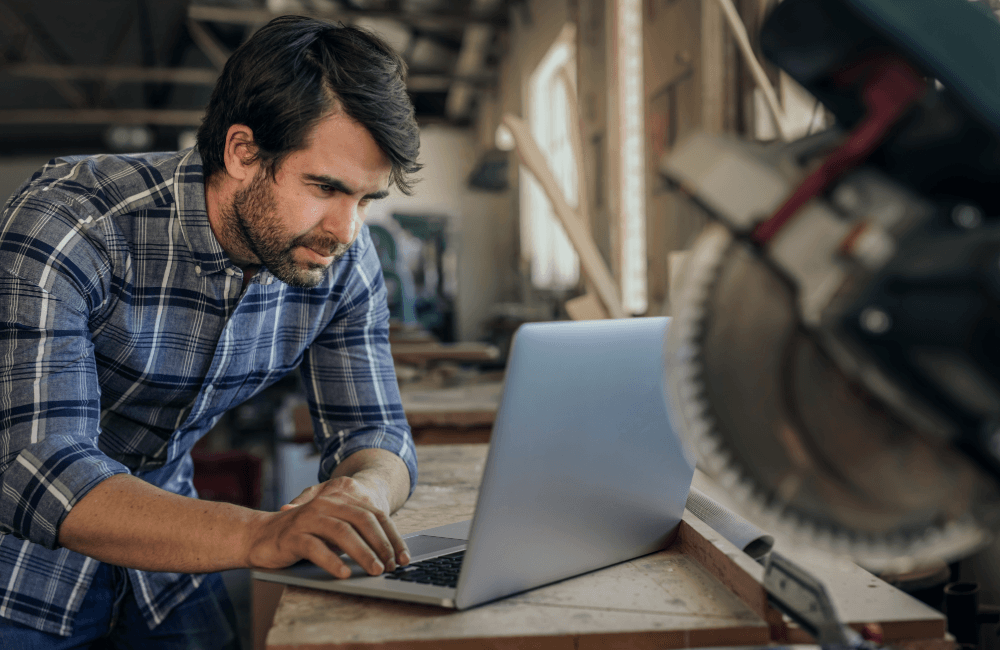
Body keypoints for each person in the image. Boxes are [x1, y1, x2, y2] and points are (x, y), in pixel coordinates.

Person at [0, 15, 421, 648]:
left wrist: (361, 494)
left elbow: (377, 432)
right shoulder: (71, 224)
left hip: (171, 570)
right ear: (243, 152)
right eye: (325, 186)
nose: (346, 230)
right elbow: (39, 466)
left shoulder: (340, 256)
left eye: (366, 199)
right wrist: (261, 535)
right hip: (23, 576)